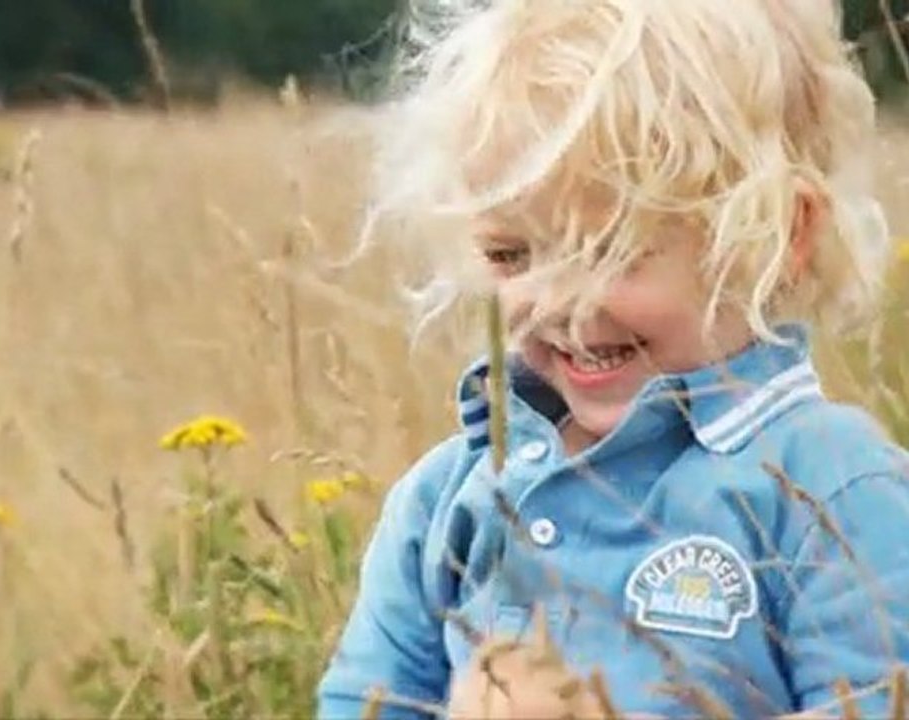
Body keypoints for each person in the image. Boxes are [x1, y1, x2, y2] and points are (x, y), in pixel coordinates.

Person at [318, 0, 909, 716]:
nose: (554, 301)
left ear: (779, 236)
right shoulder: (446, 500)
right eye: (512, 254)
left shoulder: (833, 492)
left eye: (611, 250)